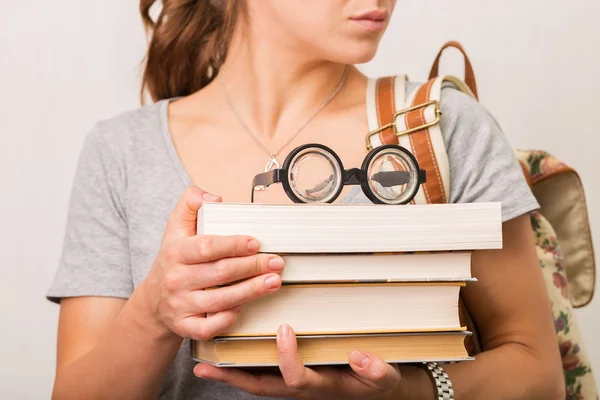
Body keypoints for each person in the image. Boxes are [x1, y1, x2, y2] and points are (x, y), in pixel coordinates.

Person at [46, 0, 565, 399]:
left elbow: (538, 374)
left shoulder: (444, 128)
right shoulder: (122, 151)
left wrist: (404, 391)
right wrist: (154, 315)